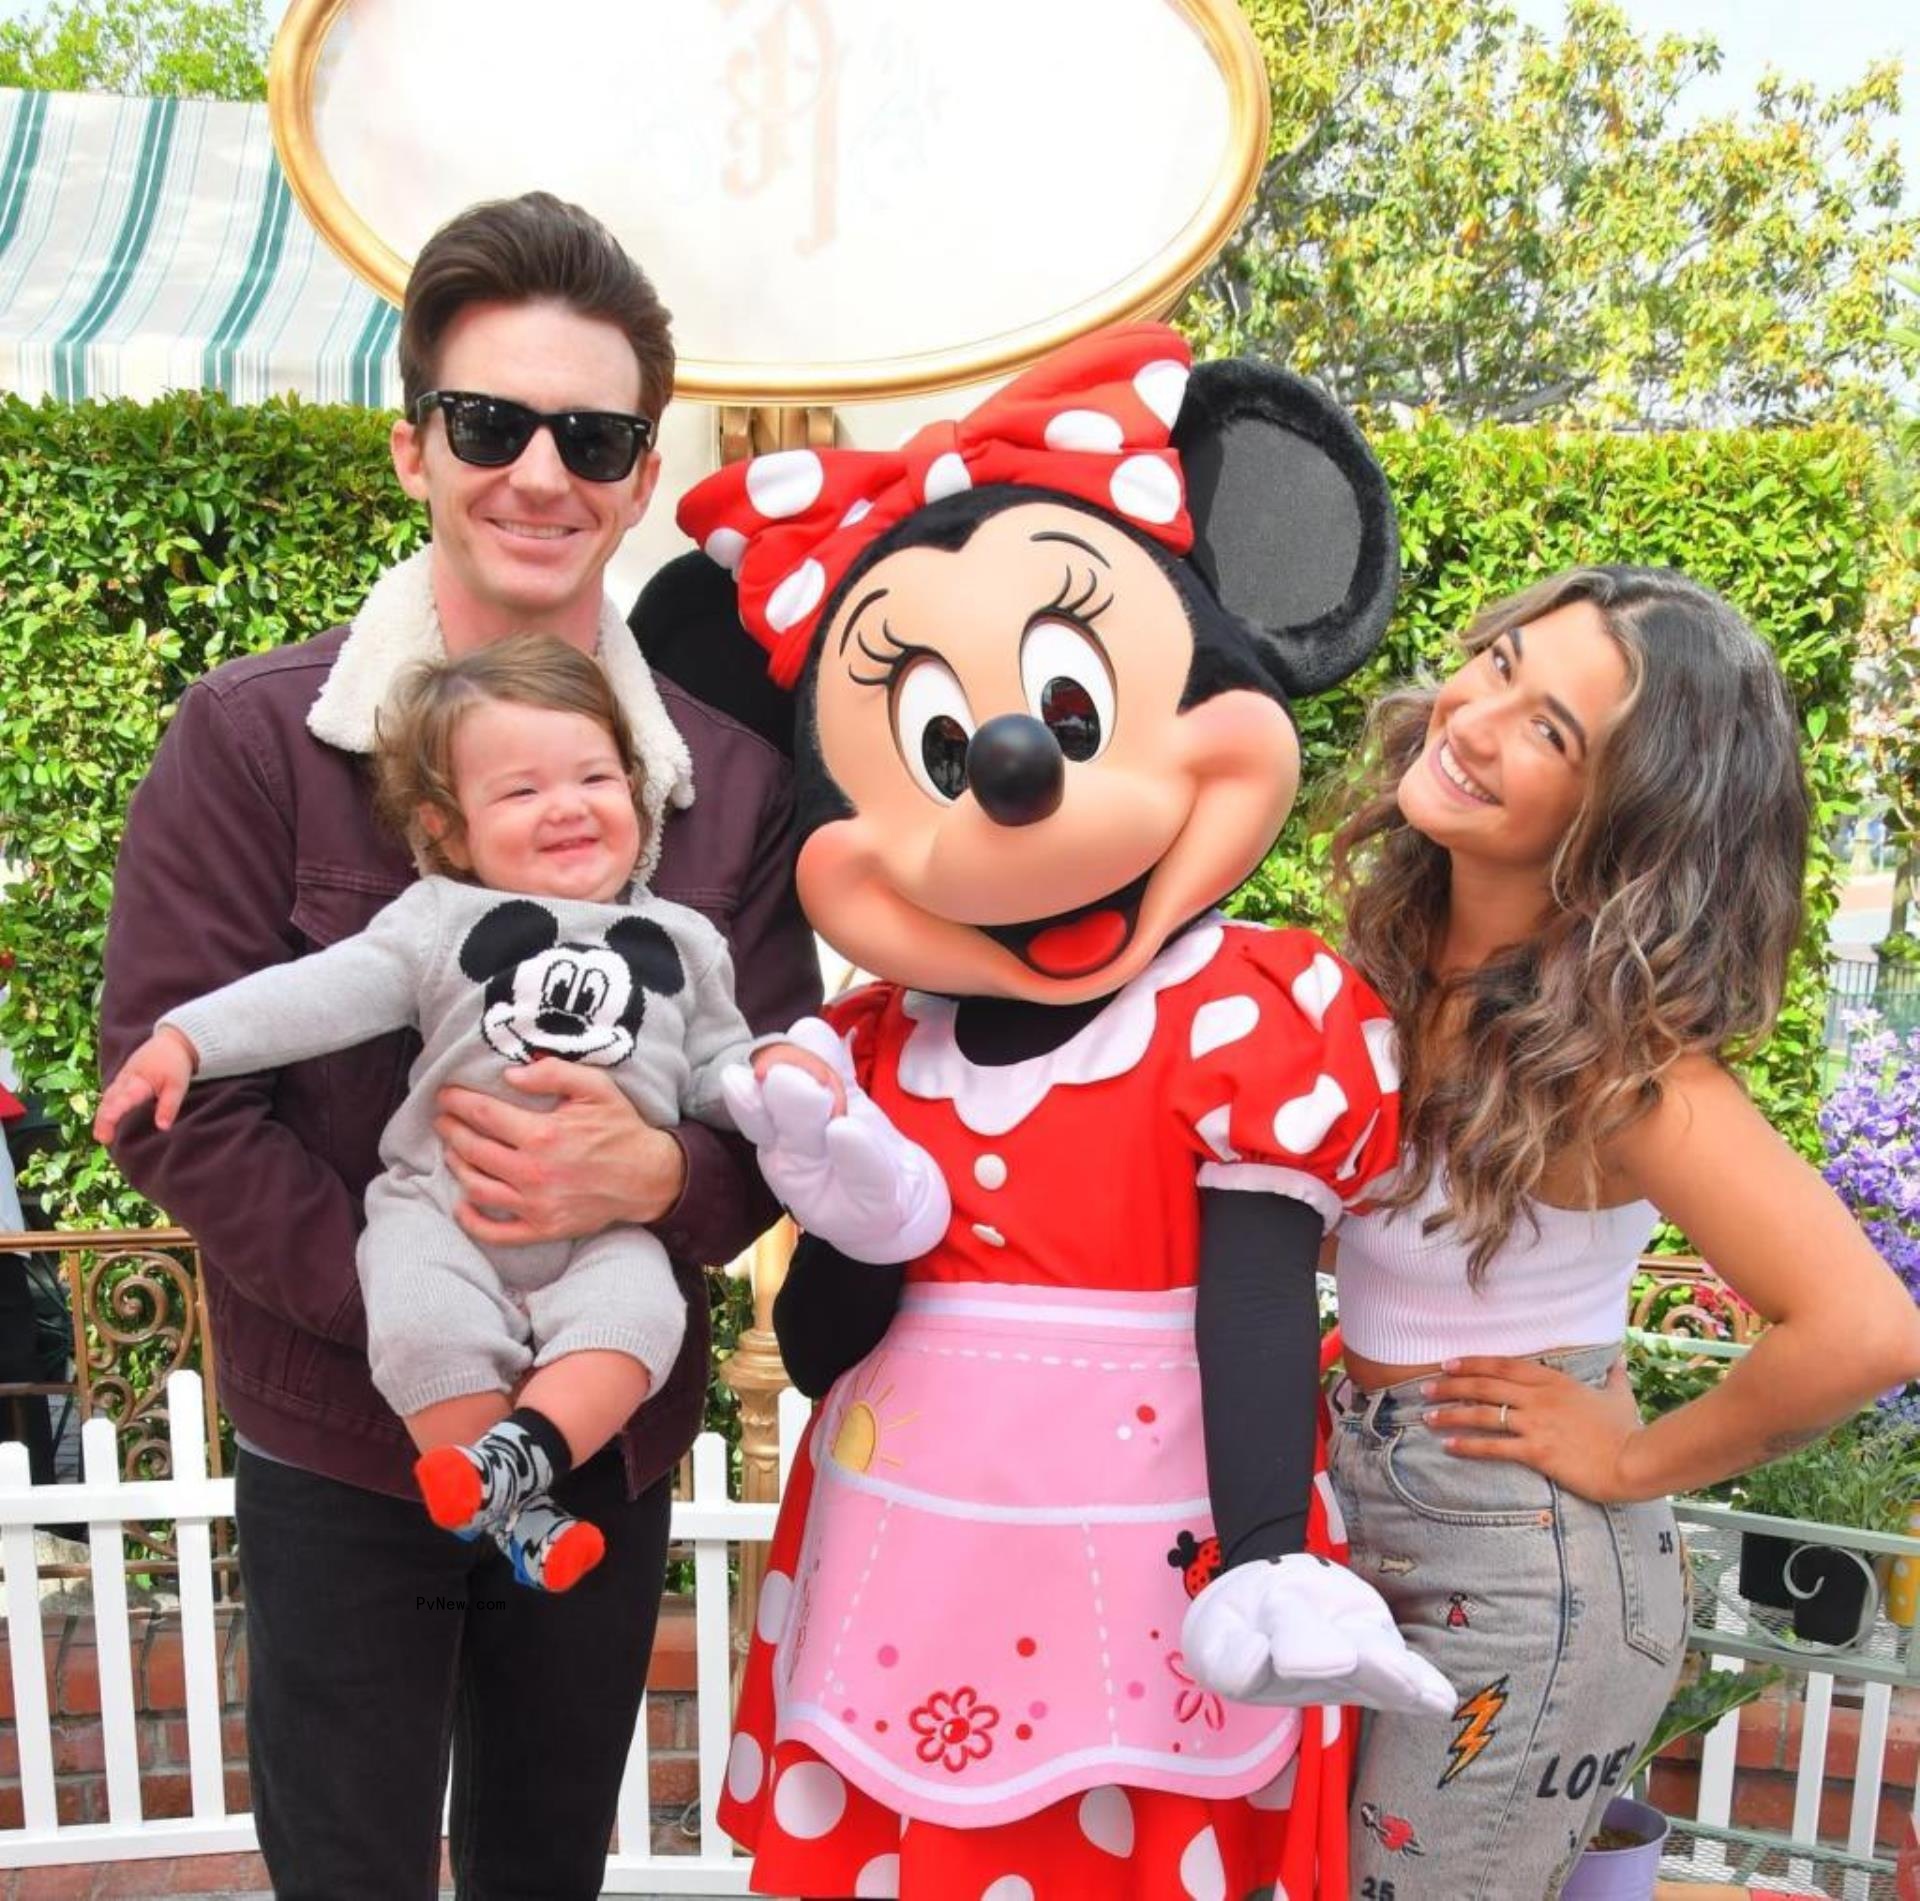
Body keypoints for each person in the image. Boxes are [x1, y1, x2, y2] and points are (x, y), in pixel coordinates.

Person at [99, 192, 820, 1900]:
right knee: (345, 1869)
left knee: (544, 1866)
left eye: (595, 434)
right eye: (493, 424)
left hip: (608, 1428)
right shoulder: (254, 740)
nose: (540, 474)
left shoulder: (730, 780)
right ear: (416, 445)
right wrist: (437, 1330)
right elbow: (168, 1091)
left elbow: (784, 1080)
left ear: (645, 473)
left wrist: (665, 1177)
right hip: (345, 1425)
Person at [1319, 565, 1920, 1898]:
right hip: (1371, 1514)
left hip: (1523, 1573)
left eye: (1551, 733)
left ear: (1629, 822)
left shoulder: (1627, 1068)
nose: (1474, 719)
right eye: (1500, 664)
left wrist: (1640, 1456)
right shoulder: (1407, 973)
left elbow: (1866, 1326)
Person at [98, 636, 810, 1593]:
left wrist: (781, 1071)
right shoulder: (438, 921)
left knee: (642, 1315)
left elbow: (719, 1064)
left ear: (637, 794)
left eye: (594, 776)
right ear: (449, 828)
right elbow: (315, 994)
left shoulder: (686, 941)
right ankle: (518, 1512)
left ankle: (518, 1462)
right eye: (519, 793)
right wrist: (189, 1039)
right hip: (441, 1212)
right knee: (416, 1320)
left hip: (604, 1230)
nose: (564, 805)